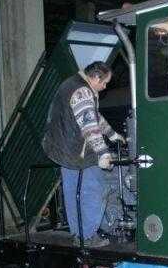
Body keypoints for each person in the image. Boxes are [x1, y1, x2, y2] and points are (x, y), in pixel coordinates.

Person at [42, 61, 124, 247]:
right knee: (96, 189)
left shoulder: (72, 84)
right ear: (95, 77)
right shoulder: (82, 92)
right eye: (104, 83)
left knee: (73, 194)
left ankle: (78, 234)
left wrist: (112, 134)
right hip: (78, 153)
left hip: (65, 151)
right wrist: (103, 153)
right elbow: (90, 126)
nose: (104, 87)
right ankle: (87, 235)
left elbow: (94, 116)